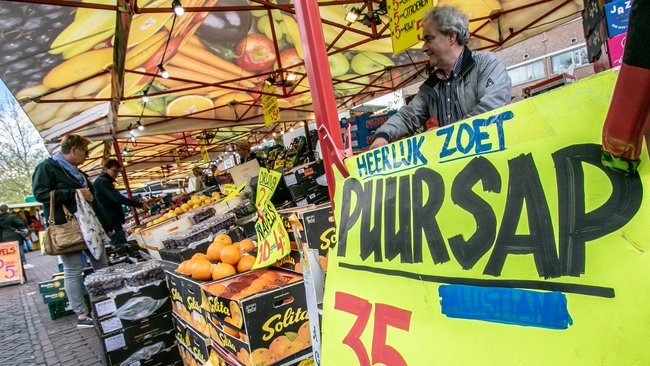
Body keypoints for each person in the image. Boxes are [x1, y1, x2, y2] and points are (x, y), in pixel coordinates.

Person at [370, 6, 512, 149]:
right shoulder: (432, 85)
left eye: (428, 39)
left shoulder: (487, 64)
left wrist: (447, 135)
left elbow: (491, 111)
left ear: (451, 36)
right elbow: (408, 115)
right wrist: (382, 136)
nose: (424, 48)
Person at [32, 135, 109, 328]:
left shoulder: (76, 171)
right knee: (73, 269)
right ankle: (82, 314)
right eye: (85, 150)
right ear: (73, 149)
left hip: (89, 226)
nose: (87, 155)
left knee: (102, 263)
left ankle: (107, 301)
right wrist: (74, 193)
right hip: (68, 227)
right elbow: (41, 194)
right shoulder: (47, 168)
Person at [93, 158, 146, 245]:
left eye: (118, 171)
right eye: (114, 170)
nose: (116, 174)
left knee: (120, 246)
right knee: (120, 247)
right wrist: (138, 204)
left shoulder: (103, 181)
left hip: (111, 220)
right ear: (106, 169)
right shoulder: (103, 182)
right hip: (111, 221)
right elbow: (117, 198)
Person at [0, 204, 34, 269]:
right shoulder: (12, 216)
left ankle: (12, 265)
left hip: (4, 237)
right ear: (7, 209)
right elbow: (21, 223)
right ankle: (24, 264)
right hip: (15, 235)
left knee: (10, 252)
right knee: (20, 250)